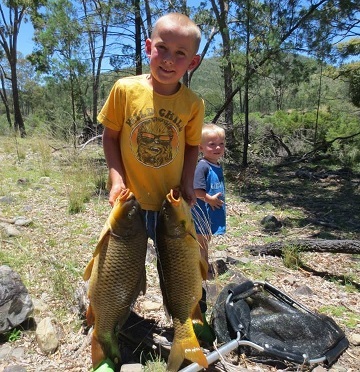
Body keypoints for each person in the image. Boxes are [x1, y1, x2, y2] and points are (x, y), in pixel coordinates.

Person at [96, 12, 210, 370]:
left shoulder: (193, 104)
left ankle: (190, 325)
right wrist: (116, 179)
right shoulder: (125, 89)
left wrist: (189, 180)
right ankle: (103, 337)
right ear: (149, 48)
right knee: (109, 274)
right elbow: (110, 136)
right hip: (128, 205)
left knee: (180, 271)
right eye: (162, 49)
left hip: (171, 207)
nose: (169, 60)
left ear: (192, 62)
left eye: (180, 54)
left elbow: (192, 147)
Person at [193, 123, 226, 278]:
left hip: (211, 213)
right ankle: (202, 272)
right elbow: (197, 191)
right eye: (212, 145)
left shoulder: (216, 165)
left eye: (221, 144)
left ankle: (203, 269)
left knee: (205, 241)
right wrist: (210, 200)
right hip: (202, 214)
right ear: (201, 148)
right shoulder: (202, 166)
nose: (217, 148)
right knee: (201, 243)